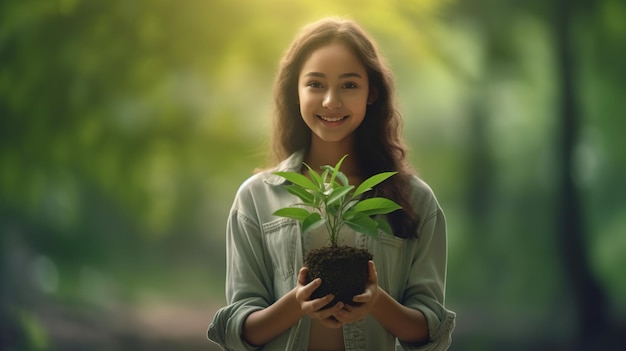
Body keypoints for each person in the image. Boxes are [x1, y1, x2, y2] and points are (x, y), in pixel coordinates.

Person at [208, 17, 455, 351]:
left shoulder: (414, 200)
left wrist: (376, 302)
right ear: (295, 91)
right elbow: (238, 329)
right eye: (315, 84)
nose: (330, 101)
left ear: (372, 92)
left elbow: (431, 330)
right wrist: (297, 304)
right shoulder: (257, 198)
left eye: (349, 85)